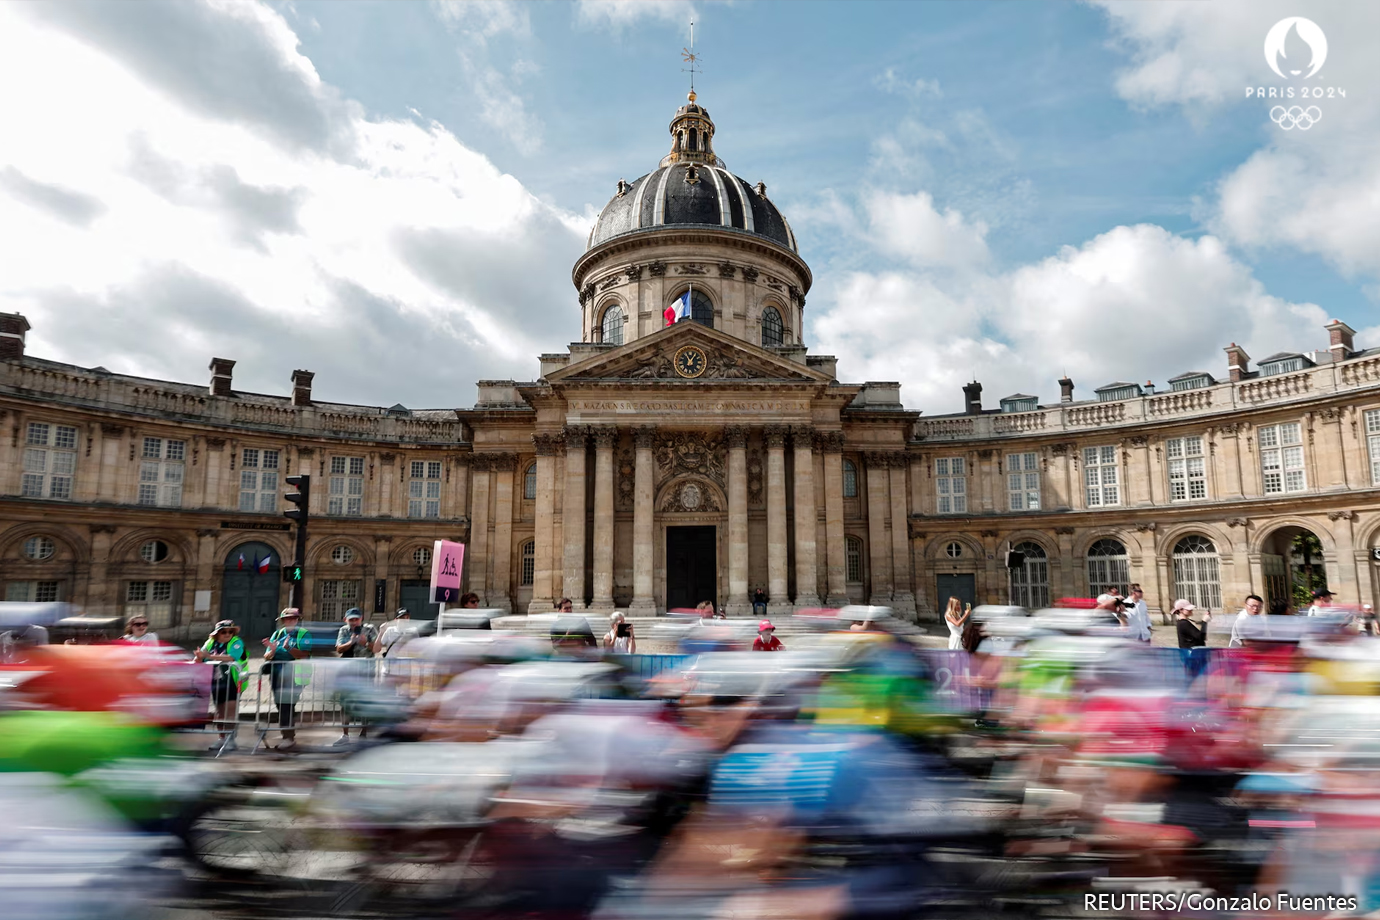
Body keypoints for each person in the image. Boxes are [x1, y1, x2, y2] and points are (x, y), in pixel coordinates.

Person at [195, 620, 247, 750]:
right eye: (224, 632)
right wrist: (199, 657)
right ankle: (221, 738)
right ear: (217, 633)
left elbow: (232, 657)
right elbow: (200, 657)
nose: (227, 634)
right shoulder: (210, 643)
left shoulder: (236, 642)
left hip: (233, 681)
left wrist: (210, 656)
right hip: (216, 681)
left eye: (230, 631)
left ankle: (230, 739)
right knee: (219, 711)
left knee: (230, 710)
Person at [263, 608, 311, 750]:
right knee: (281, 704)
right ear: (283, 621)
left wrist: (289, 649)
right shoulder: (277, 634)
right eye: (287, 619)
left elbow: (304, 654)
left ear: (297, 620)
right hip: (277, 674)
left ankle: (288, 737)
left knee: (287, 704)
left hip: (295, 675)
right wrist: (271, 650)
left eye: (292, 619)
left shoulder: (303, 634)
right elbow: (266, 656)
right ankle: (288, 733)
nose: (290, 621)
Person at [334, 608, 377, 745]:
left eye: (356, 619)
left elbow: (377, 648)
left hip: (366, 671)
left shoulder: (369, 629)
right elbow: (339, 648)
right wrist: (351, 642)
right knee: (345, 702)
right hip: (348, 671)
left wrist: (365, 643)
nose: (354, 622)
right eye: (351, 619)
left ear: (361, 618)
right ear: (345, 619)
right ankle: (345, 735)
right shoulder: (344, 630)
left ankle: (363, 733)